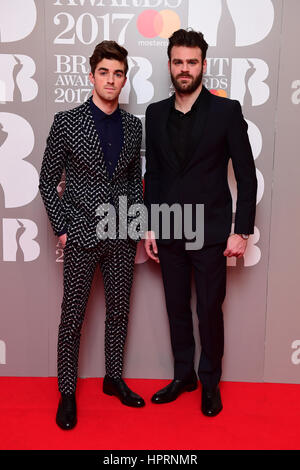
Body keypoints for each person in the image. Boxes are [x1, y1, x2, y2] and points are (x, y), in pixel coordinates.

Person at [144, 29, 257, 417]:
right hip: (170, 230)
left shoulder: (227, 112)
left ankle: (209, 382)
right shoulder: (155, 113)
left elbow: (246, 175)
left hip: (211, 233)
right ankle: (183, 376)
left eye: (192, 62)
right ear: (170, 65)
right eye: (178, 62)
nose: (185, 69)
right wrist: (152, 225)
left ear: (203, 65)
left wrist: (241, 230)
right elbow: (154, 174)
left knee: (208, 309)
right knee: (176, 307)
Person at [39, 41, 145, 430]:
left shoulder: (134, 126)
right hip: (81, 232)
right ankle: (67, 393)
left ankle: (112, 378)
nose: (111, 80)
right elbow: (48, 181)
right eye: (104, 72)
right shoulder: (67, 122)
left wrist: (134, 227)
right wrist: (63, 228)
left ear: (124, 78)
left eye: (118, 73)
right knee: (73, 317)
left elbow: (135, 181)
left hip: (121, 234)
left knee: (119, 312)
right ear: (91, 75)